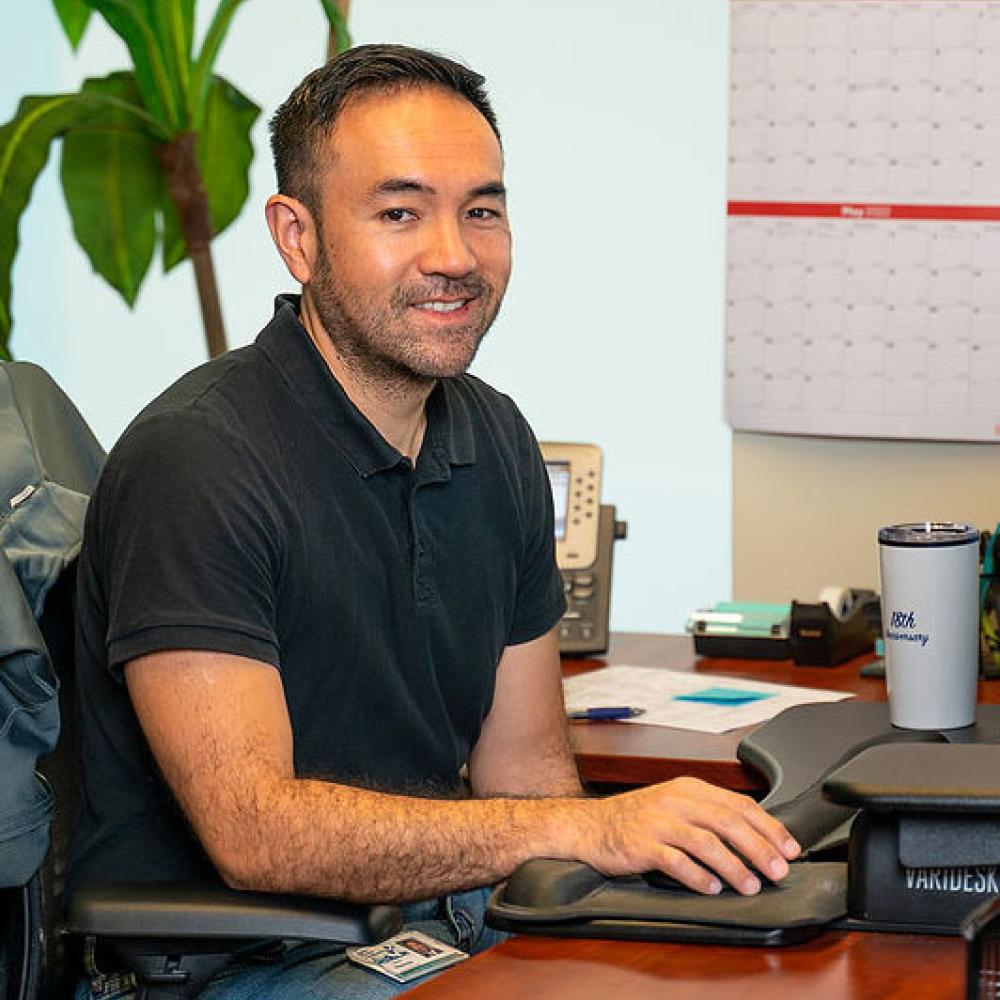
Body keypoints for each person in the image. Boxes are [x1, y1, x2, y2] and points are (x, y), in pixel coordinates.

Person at [69, 43, 800, 998]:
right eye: (400, 212)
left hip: (442, 917)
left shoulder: (492, 435)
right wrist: (590, 828)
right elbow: (258, 835)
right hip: (235, 962)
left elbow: (525, 775)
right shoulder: (199, 459)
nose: (454, 256)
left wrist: (652, 864)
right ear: (297, 236)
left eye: (482, 211)